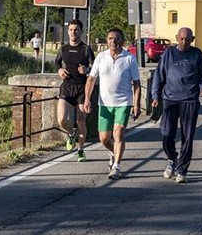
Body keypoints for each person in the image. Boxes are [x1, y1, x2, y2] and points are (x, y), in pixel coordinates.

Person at [151, 27, 202, 184]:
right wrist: (155, 95)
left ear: (193, 39)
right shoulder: (169, 53)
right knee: (166, 134)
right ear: (177, 38)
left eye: (188, 39)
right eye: (182, 38)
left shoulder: (196, 54)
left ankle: (182, 170)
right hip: (170, 99)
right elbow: (159, 76)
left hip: (190, 100)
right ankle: (172, 159)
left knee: (188, 136)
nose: (184, 42)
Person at [83, 28, 141, 180]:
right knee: (103, 138)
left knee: (118, 133)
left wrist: (136, 105)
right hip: (104, 103)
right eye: (110, 38)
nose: (113, 41)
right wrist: (87, 99)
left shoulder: (129, 59)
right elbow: (91, 79)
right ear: (107, 40)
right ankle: (114, 154)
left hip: (123, 102)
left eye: (116, 38)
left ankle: (116, 166)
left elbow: (136, 84)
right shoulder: (101, 57)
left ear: (122, 40)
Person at [55, 19, 95, 162]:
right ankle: (71, 133)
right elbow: (57, 62)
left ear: (81, 31)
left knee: (81, 121)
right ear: (68, 31)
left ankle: (81, 151)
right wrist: (59, 70)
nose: (73, 32)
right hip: (67, 86)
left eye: (76, 30)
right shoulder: (63, 48)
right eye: (71, 30)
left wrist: (87, 70)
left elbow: (95, 67)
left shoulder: (86, 49)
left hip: (82, 88)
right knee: (61, 120)